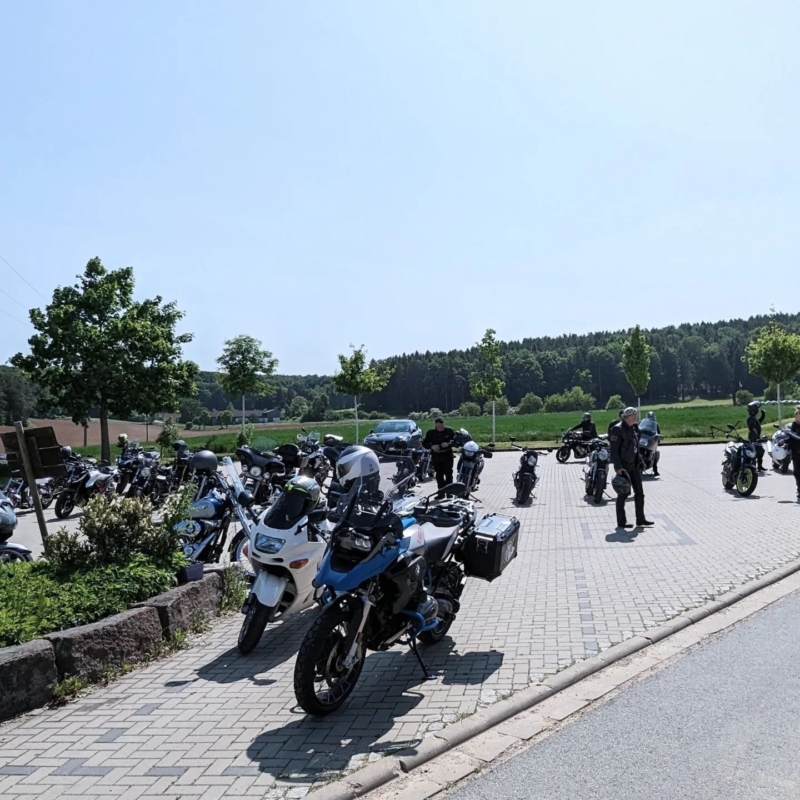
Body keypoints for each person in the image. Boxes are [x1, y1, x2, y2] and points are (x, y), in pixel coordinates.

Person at [609, 407, 653, 529]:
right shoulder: (617, 429)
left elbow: (635, 446)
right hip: (623, 467)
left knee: (640, 493)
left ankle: (640, 519)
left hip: (634, 466)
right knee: (623, 494)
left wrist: (640, 461)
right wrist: (618, 467)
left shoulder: (634, 428)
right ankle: (621, 522)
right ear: (627, 417)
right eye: (633, 416)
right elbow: (614, 451)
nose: (636, 418)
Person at [423, 417, 456, 489]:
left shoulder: (449, 431)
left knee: (448, 473)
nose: (439, 427)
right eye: (438, 426)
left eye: (441, 425)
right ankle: (441, 491)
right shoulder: (431, 432)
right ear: (435, 425)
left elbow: (455, 441)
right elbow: (425, 443)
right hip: (436, 455)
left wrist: (448, 444)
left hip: (447, 454)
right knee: (439, 474)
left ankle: (449, 491)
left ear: (443, 424)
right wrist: (431, 446)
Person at [746, 401, 766, 471]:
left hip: (756, 437)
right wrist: (756, 436)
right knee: (754, 452)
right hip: (753, 438)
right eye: (756, 408)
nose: (758, 410)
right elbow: (752, 429)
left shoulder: (753, 417)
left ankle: (759, 466)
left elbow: (758, 422)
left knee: (761, 451)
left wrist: (763, 415)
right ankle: (753, 466)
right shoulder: (750, 418)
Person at [787, 406, 800, 498]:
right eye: (796, 414)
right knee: (796, 472)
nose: (797, 415)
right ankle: (799, 489)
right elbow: (791, 437)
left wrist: (790, 433)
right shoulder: (794, 425)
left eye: (799, 413)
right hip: (795, 452)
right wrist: (784, 441)